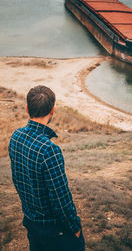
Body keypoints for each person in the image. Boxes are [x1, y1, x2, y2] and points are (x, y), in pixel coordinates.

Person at [9, 85, 85, 251]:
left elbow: (17, 179)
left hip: (30, 221)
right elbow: (61, 199)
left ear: (27, 108)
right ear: (52, 111)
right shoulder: (49, 150)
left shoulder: (16, 136)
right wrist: (75, 227)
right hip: (54, 231)